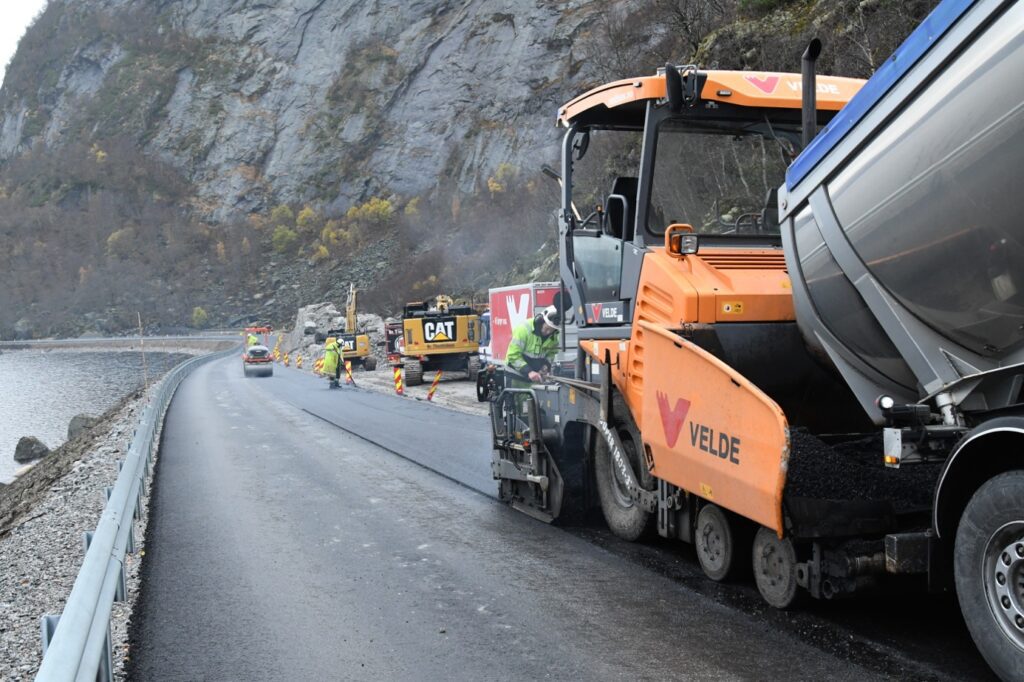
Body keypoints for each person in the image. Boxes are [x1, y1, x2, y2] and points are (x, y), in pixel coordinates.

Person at [506, 306, 560, 383]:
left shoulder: (554, 337)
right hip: (516, 377)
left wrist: (545, 366)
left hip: (534, 377)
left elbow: (551, 354)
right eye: (547, 328)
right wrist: (529, 371)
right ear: (540, 321)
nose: (548, 332)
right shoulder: (523, 330)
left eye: (552, 330)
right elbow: (513, 355)